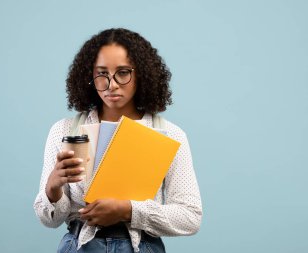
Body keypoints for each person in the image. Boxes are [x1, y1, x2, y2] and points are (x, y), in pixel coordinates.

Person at [34, 28, 202, 253]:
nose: (111, 84)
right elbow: (49, 220)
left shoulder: (169, 134)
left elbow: (190, 217)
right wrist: (53, 187)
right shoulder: (64, 130)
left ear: (141, 74)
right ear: (90, 76)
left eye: (123, 73)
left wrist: (128, 210)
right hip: (80, 245)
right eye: (102, 73)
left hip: (140, 247)